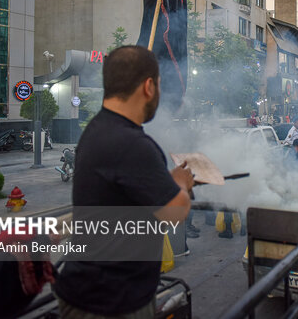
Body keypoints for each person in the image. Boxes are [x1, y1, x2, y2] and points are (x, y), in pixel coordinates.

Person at [54, 46, 194, 318]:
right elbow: (175, 212)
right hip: (110, 301)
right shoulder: (133, 144)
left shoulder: (98, 130)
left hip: (90, 291)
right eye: (160, 85)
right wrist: (180, 181)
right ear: (149, 86)